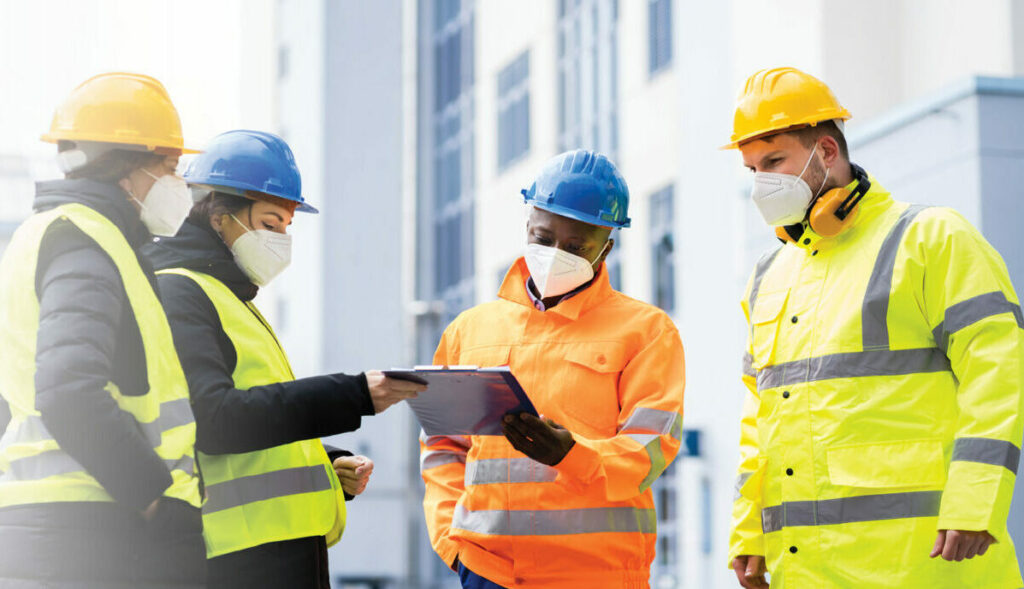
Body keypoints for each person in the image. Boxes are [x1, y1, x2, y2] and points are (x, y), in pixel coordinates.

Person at [726, 67, 1024, 589]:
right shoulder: (768, 278)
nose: (761, 183)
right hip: (806, 573)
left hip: (926, 567)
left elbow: (999, 369)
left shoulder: (931, 238)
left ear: (825, 151)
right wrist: (750, 530)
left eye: (774, 161)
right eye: (752, 168)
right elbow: (760, 419)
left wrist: (975, 500)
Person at [143, 129, 424, 589]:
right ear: (219, 216)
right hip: (237, 561)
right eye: (271, 224)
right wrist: (351, 394)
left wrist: (325, 461)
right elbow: (214, 419)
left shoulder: (229, 297)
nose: (281, 239)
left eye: (287, 227)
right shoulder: (181, 291)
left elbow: (260, 416)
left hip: (278, 553)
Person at [420, 149, 685, 588]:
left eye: (576, 246)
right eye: (543, 239)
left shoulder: (647, 332)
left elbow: (652, 449)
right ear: (527, 228)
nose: (555, 253)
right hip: (489, 571)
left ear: (606, 247)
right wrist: (451, 541)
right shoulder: (469, 330)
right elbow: (442, 446)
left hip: (598, 574)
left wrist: (572, 455)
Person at [0, 72, 204, 587]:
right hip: (90, 527)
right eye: (170, 167)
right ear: (125, 169)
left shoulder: (42, 237)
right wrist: (152, 499)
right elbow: (69, 389)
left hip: (52, 525)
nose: (178, 184)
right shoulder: (83, 242)